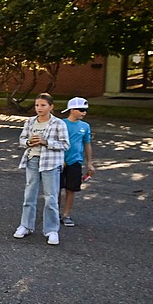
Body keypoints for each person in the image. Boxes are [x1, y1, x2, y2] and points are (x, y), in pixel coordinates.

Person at [13, 93, 70, 245]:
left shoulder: (58, 123)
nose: (39, 108)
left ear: (51, 107)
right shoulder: (31, 121)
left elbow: (65, 144)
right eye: (37, 105)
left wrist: (46, 142)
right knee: (29, 195)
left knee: (51, 197)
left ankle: (51, 230)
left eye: (43, 105)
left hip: (50, 163)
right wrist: (28, 143)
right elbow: (22, 139)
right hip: (33, 160)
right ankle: (25, 225)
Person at [58, 97, 95, 227]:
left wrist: (89, 162)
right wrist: (59, 159)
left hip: (75, 162)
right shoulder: (60, 123)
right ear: (72, 110)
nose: (84, 112)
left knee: (71, 189)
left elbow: (87, 144)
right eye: (81, 110)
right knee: (57, 189)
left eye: (85, 110)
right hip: (59, 161)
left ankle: (66, 214)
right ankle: (54, 213)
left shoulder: (85, 126)